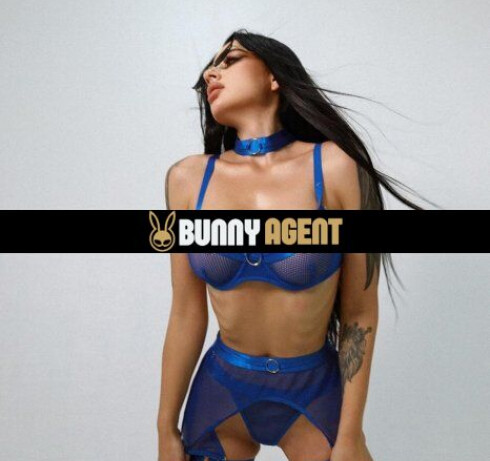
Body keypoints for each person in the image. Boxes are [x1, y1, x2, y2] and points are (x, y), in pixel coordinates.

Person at [157, 29, 433, 461]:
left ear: (274, 77)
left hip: (314, 394)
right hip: (220, 393)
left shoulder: (337, 167)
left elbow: (360, 313)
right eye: (210, 67)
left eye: (230, 60)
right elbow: (185, 312)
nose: (211, 72)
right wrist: (165, 428)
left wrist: (349, 436)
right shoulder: (187, 180)